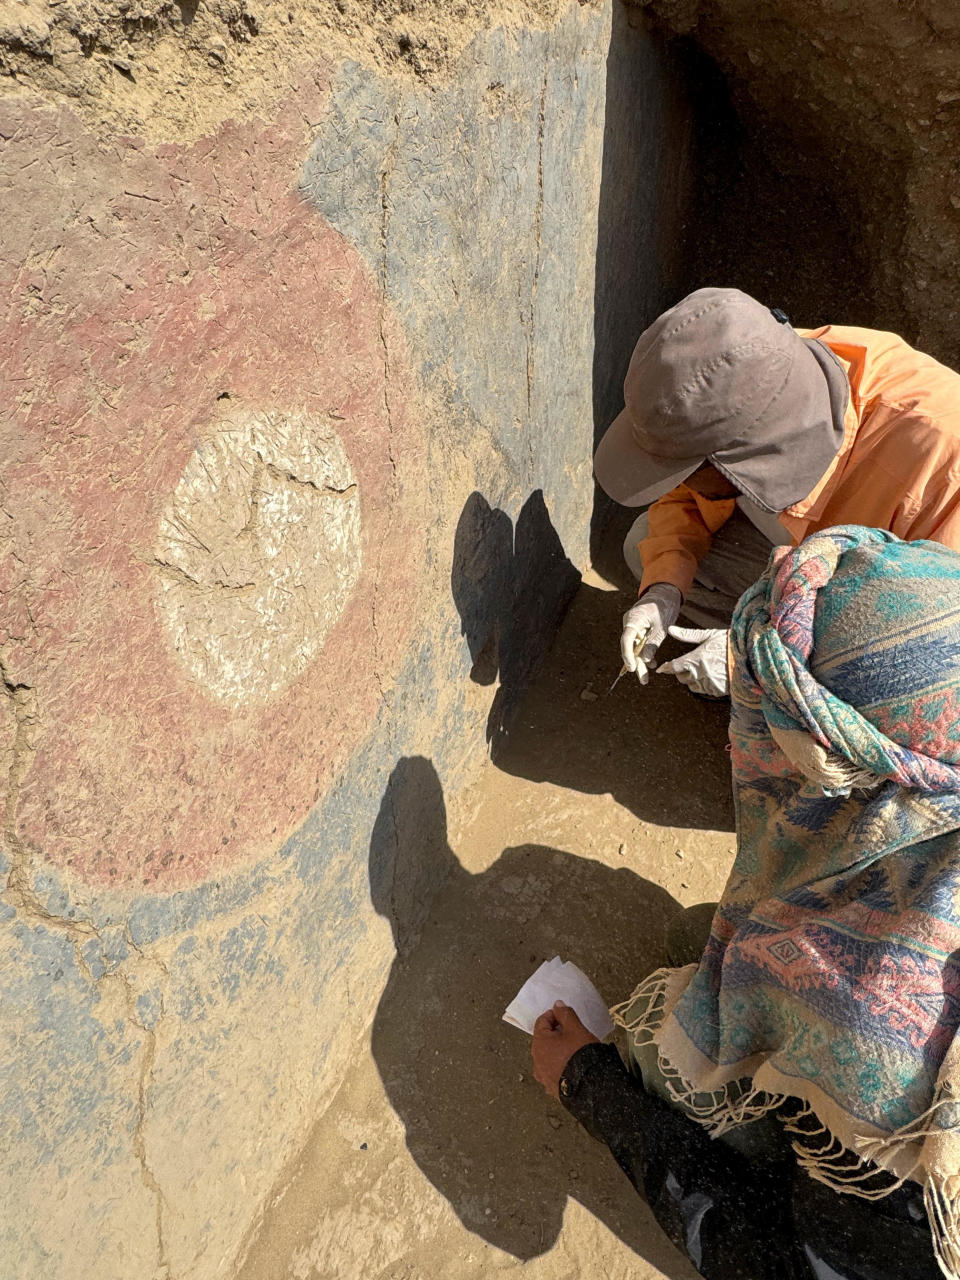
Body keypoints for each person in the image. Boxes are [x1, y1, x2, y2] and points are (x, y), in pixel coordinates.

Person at [530, 526, 960, 1280]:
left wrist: (590, 1085)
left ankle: (741, 1098)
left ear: (862, 784)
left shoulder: (887, 1083)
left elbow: (764, 1260)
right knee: (695, 939)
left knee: (648, 1052)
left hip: (871, 1233)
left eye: (769, 736)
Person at [593, 288, 960, 697]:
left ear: (745, 459)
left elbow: (936, 654)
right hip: (832, 574)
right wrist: (664, 588)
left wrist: (755, 660)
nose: (674, 484)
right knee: (647, 547)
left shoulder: (941, 461)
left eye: (683, 470)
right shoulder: (747, 368)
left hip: (919, 629)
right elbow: (687, 499)